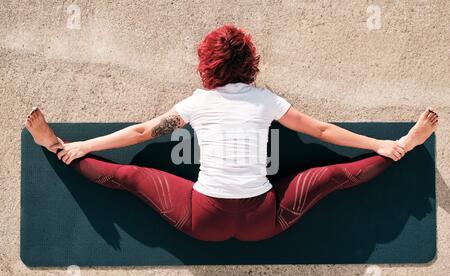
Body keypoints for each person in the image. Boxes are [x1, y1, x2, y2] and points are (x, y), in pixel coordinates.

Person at [24, 24, 438, 242]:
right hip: (265, 221)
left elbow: (144, 131)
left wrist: (85, 145)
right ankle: (400, 147)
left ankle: (57, 147)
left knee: (129, 178)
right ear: (251, 63)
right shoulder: (264, 100)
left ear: (206, 66)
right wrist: (378, 143)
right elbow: (323, 130)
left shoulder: (197, 103)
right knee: (333, 177)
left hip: (203, 220)